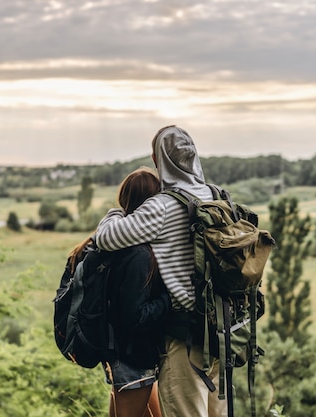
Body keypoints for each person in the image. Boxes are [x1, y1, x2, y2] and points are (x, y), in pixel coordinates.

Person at [94, 126, 227, 417]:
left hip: (185, 337)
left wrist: (117, 212)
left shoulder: (163, 206)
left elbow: (106, 238)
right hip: (223, 332)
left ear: (158, 160)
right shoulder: (216, 196)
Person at [68, 167, 169, 417]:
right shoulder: (137, 253)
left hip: (121, 353)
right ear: (153, 204)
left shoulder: (114, 241)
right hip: (132, 357)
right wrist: (170, 300)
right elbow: (135, 316)